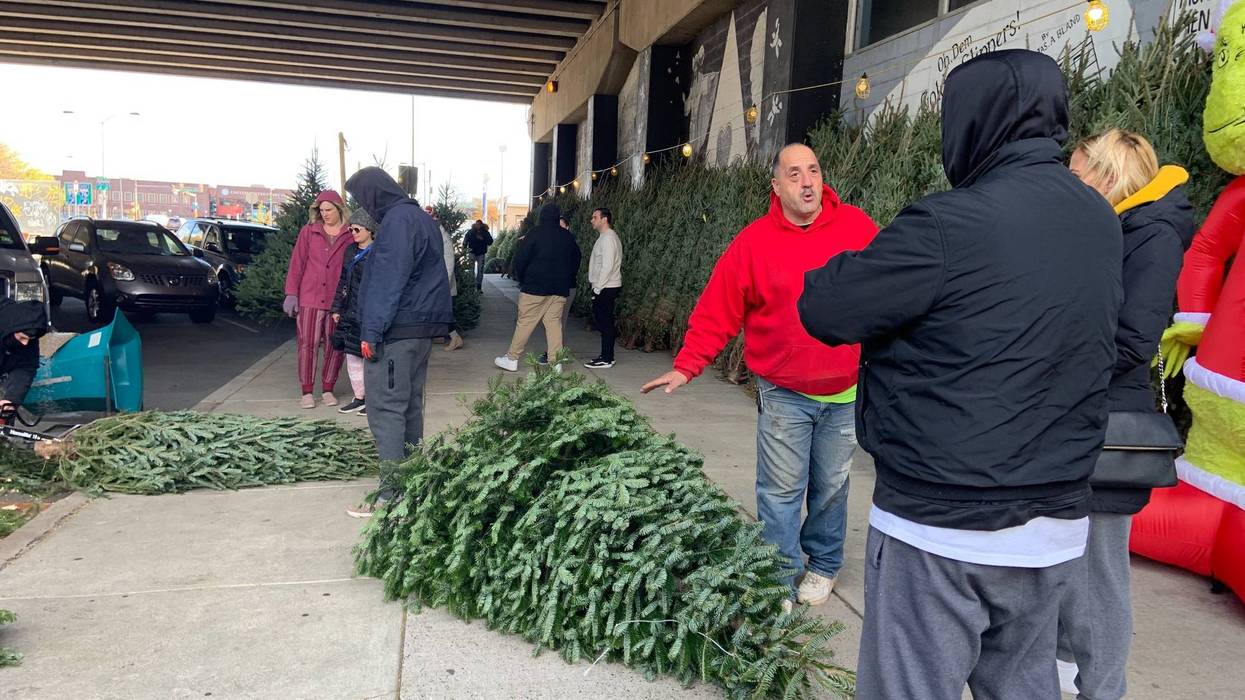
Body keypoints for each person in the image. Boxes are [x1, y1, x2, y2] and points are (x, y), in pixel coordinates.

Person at [796, 50, 1123, 699]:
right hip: (1055, 521)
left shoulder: (947, 224)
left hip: (942, 527)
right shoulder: (1098, 222)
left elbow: (826, 306)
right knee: (1025, 686)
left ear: (972, 121)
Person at [641, 143, 878, 607]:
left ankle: (825, 565)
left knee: (832, 487)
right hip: (785, 391)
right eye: (794, 173)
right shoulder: (754, 242)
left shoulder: (857, 227)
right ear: (776, 186)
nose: (807, 181)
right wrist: (689, 365)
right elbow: (717, 310)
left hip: (847, 391)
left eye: (813, 169)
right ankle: (779, 574)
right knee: (781, 489)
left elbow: (895, 287)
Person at [1056, 129, 1195, 698]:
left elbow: (1135, 339)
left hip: (1107, 425)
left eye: (1076, 175)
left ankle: (1102, 689)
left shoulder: (1152, 234)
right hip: (1085, 418)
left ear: (1108, 179)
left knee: (1102, 577)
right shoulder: (1118, 228)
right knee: (1071, 565)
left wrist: (1054, 366)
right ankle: (1068, 672)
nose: (1067, 185)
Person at [345, 167, 453, 517]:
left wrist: (370, 332)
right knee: (408, 409)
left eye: (361, 199)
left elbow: (387, 282)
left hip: (396, 332)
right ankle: (412, 485)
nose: (362, 206)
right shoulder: (420, 218)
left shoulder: (396, 222)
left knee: (386, 411)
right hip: (418, 332)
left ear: (374, 194)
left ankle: (391, 497)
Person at [284, 190, 352, 409]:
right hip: (310, 298)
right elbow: (297, 263)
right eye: (321, 210)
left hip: (336, 301)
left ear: (339, 209)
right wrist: (291, 294)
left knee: (335, 346)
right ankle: (306, 391)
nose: (325, 214)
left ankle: (328, 389)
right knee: (307, 345)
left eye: (329, 210)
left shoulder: (350, 234)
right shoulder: (309, 232)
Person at [495, 203, 580, 372]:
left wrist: (524, 278)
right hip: (559, 289)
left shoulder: (534, 234)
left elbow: (521, 259)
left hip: (534, 287)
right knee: (554, 324)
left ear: (542, 216)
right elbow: (576, 259)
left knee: (525, 322)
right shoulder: (567, 236)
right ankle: (556, 362)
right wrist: (566, 277)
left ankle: (512, 358)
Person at [329, 208, 378, 417]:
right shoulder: (350, 251)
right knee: (352, 356)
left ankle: (373, 401)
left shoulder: (379, 253)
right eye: (351, 229)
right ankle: (359, 397)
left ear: (370, 230)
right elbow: (342, 280)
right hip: (349, 311)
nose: (353, 233)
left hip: (369, 313)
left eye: (357, 229)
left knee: (370, 357)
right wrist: (337, 307)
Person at [584, 208, 623, 369]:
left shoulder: (608, 239)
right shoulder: (605, 237)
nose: (592, 220)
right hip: (604, 286)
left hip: (606, 287)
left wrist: (598, 288)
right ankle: (607, 356)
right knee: (604, 321)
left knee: (605, 322)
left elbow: (607, 266)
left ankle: (606, 358)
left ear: (604, 219)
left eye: (595, 217)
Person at [0, 299, 48, 420]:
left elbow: (26, 367)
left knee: (5, 411)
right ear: (11, 329)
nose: (25, 343)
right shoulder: (8, 322)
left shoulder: (28, 331)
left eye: (29, 339)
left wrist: (11, 399)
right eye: (22, 338)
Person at [427, 206, 465, 351]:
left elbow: (449, 263)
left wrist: (443, 285)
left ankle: (455, 338)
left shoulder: (445, 239)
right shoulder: (435, 237)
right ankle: (450, 337)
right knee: (440, 314)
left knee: (444, 315)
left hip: (443, 286)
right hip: (436, 283)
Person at [465, 219, 493, 290]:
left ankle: (479, 286)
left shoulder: (485, 232)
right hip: (472, 252)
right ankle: (471, 285)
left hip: (481, 253)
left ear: (481, 225)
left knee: (480, 270)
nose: (477, 226)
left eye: (479, 224)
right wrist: (464, 248)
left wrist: (483, 239)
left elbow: (490, 241)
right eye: (476, 224)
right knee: (471, 269)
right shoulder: (471, 232)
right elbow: (466, 239)